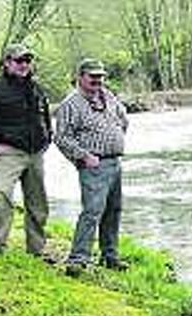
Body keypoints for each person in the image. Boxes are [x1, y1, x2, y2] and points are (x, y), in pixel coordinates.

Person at [0, 43, 52, 258]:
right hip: (9, 152)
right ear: (6, 63)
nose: (24, 65)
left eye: (27, 61)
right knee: (3, 195)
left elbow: (46, 118)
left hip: (36, 153)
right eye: (18, 60)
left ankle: (37, 249)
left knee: (38, 202)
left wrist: (48, 139)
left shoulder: (37, 88)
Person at [54, 58, 129, 277]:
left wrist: (114, 138)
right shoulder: (71, 104)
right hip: (94, 165)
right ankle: (78, 259)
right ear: (80, 78)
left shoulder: (109, 96)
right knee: (92, 211)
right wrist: (84, 156)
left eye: (101, 76)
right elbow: (61, 138)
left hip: (115, 162)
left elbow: (123, 120)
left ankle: (110, 256)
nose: (98, 80)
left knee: (113, 211)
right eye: (93, 76)